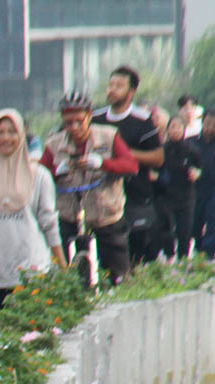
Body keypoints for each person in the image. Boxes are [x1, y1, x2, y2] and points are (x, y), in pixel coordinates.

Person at [0, 110, 65, 317]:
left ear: (22, 135)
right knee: (0, 328)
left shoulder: (39, 176)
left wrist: (61, 263)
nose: (5, 138)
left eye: (11, 132)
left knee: (32, 328)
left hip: (32, 268)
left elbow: (49, 222)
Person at [40, 89, 138, 285]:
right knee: (69, 278)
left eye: (79, 121)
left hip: (105, 215)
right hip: (69, 216)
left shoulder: (108, 136)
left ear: (89, 116)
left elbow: (131, 166)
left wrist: (103, 163)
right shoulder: (53, 144)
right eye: (68, 123)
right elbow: (38, 177)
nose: (74, 127)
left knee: (118, 276)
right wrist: (55, 172)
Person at [92, 65, 163, 264]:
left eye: (119, 86)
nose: (112, 90)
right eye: (110, 85)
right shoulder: (96, 119)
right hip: (103, 196)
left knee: (136, 251)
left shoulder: (142, 120)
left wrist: (125, 155)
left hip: (136, 195)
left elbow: (158, 157)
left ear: (131, 92)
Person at [160, 116, 201, 263]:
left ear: (183, 129)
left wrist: (196, 173)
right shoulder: (163, 150)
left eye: (178, 127)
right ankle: (169, 256)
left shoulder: (191, 150)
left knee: (184, 232)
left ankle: (184, 261)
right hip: (167, 196)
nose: (175, 130)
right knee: (167, 231)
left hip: (187, 196)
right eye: (172, 127)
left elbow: (200, 169)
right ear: (167, 130)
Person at [193, 109, 215, 261]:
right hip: (198, 186)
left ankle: (209, 253)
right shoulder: (192, 141)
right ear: (202, 123)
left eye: (213, 124)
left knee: (213, 216)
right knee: (197, 218)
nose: (210, 127)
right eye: (207, 123)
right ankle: (198, 249)